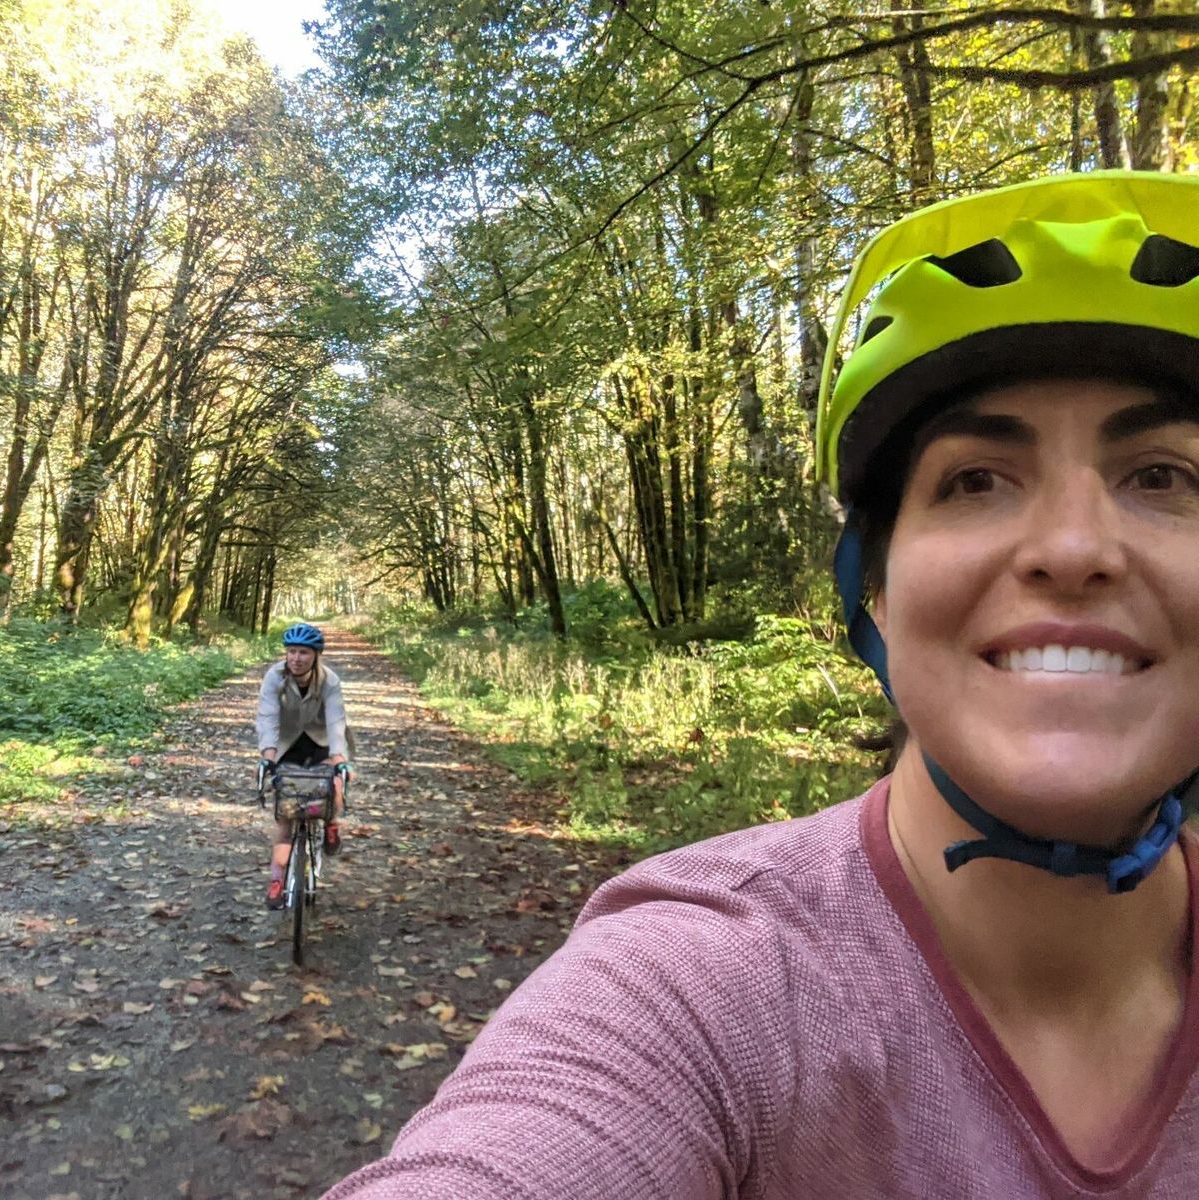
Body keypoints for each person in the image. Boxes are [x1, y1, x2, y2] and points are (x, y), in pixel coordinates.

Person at [325, 171, 1199, 1196]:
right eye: (975, 480)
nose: (1073, 548)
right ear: (873, 588)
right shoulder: (695, 986)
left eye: (1163, 477)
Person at [256, 622, 351, 910]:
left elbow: (336, 720)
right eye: (292, 651)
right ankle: (276, 880)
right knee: (286, 815)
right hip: (286, 744)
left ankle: (332, 824)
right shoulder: (274, 677)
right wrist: (268, 756)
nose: (296, 658)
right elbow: (267, 717)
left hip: (321, 741)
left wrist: (339, 759)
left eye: (304, 653)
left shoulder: (329, 680)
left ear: (316, 655)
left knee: (333, 785)